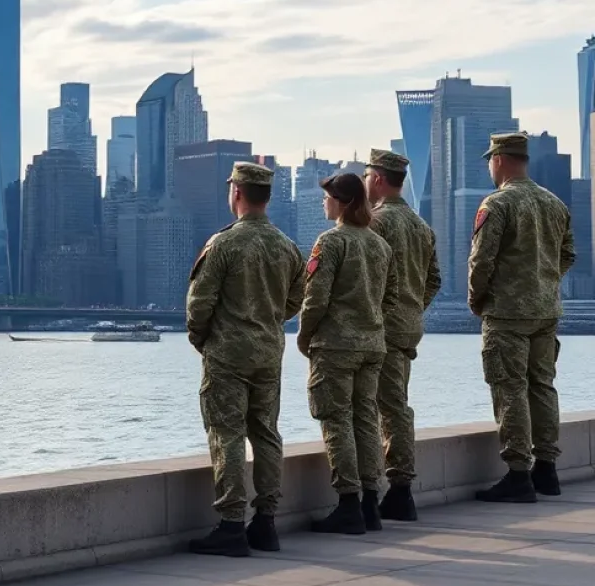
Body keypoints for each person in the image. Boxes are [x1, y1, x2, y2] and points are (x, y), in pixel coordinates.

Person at [186, 162, 306, 557]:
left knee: (228, 435)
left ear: (236, 192)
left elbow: (199, 305)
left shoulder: (223, 244)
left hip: (228, 355)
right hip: (269, 353)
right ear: (266, 197)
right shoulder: (287, 246)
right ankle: (266, 522)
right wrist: (269, 323)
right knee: (266, 433)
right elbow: (296, 300)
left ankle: (232, 524)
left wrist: (205, 340)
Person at [469, 132, 575, 503]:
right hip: (546, 311)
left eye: (489, 160)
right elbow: (568, 254)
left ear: (498, 159)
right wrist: (543, 283)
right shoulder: (554, 203)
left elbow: (482, 260)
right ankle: (547, 470)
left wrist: (477, 298)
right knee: (542, 385)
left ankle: (518, 474)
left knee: (509, 387)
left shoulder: (497, 204)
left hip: (507, 313)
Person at [297, 172, 397, 535]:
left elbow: (316, 298)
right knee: (366, 419)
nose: (324, 202)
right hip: (372, 344)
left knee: (336, 420)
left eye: (328, 197)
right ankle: (371, 501)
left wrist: (304, 336)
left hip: (336, 345)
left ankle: (348, 503)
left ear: (342, 202)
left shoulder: (331, 242)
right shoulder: (379, 245)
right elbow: (390, 296)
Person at [364, 149, 441, 522]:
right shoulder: (420, 225)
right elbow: (435, 280)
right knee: (394, 401)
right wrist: (412, 308)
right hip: (409, 326)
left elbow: (366, 280)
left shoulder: (376, 223)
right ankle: (398, 487)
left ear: (377, 179)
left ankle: (399, 489)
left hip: (381, 329)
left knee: (388, 407)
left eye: (367, 176)